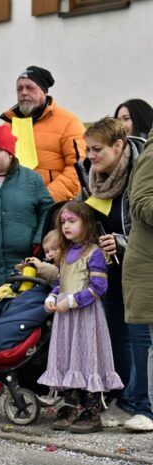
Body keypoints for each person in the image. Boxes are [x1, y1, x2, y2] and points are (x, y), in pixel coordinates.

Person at [77, 117, 152, 433]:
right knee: (115, 331)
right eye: (88, 149)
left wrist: (121, 242)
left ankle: (142, 401)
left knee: (140, 335)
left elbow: (141, 221)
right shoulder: (89, 173)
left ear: (119, 146)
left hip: (136, 261)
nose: (91, 156)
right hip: (107, 266)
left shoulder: (139, 167)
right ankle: (125, 395)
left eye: (97, 149)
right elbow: (85, 215)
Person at [0, 124, 54, 394]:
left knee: (19, 321)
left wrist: (39, 240)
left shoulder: (31, 180)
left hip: (22, 266)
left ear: (11, 153)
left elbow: (48, 209)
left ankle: (21, 371)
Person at [40, 202, 123, 432]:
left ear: (86, 223)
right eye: (63, 222)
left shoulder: (94, 253)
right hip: (66, 318)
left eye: (72, 221)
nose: (66, 226)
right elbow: (62, 282)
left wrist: (72, 301)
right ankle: (72, 405)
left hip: (85, 316)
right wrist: (52, 296)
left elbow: (99, 287)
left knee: (88, 358)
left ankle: (92, 410)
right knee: (69, 356)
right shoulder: (66, 252)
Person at [0, 66, 85, 202]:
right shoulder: (6, 127)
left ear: (43, 91)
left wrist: (43, 198)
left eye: (30, 88)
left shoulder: (69, 122)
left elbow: (78, 171)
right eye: (19, 89)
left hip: (55, 207)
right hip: (15, 207)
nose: (24, 93)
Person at [124, 138, 153, 433]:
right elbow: (142, 203)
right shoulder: (151, 156)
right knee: (148, 343)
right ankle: (146, 408)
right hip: (148, 267)